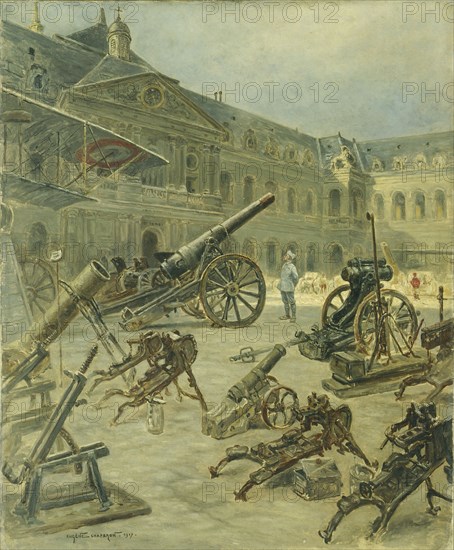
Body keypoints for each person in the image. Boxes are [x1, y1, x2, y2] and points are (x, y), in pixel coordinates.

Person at [278, 250, 299, 321]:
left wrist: (293, 284)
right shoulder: (284, 265)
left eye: (286, 255)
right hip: (283, 286)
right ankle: (287, 315)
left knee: (292, 302)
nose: (284, 256)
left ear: (289, 257)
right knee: (285, 301)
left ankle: (293, 317)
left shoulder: (292, 267)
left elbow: (296, 277)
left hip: (289, 286)